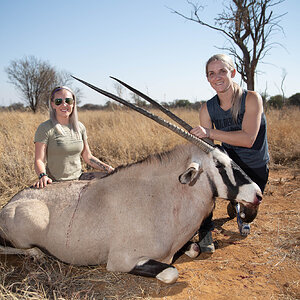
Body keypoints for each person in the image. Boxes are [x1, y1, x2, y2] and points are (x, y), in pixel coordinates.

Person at [190, 54, 269, 253]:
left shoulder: (251, 98)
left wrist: (209, 132)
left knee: (250, 210)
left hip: (254, 165)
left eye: (222, 71)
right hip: (229, 162)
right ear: (208, 79)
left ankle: (238, 209)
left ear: (232, 73)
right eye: (212, 73)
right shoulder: (207, 109)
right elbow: (208, 149)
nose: (217, 77)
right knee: (203, 178)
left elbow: (249, 139)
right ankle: (205, 230)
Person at [34, 86, 114, 188]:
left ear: (73, 103)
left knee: (113, 180)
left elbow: (88, 157)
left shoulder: (79, 127)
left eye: (68, 101)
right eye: (59, 101)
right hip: (57, 182)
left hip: (79, 178)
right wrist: (42, 176)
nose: (64, 105)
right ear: (53, 104)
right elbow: (39, 160)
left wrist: (109, 169)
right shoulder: (45, 128)